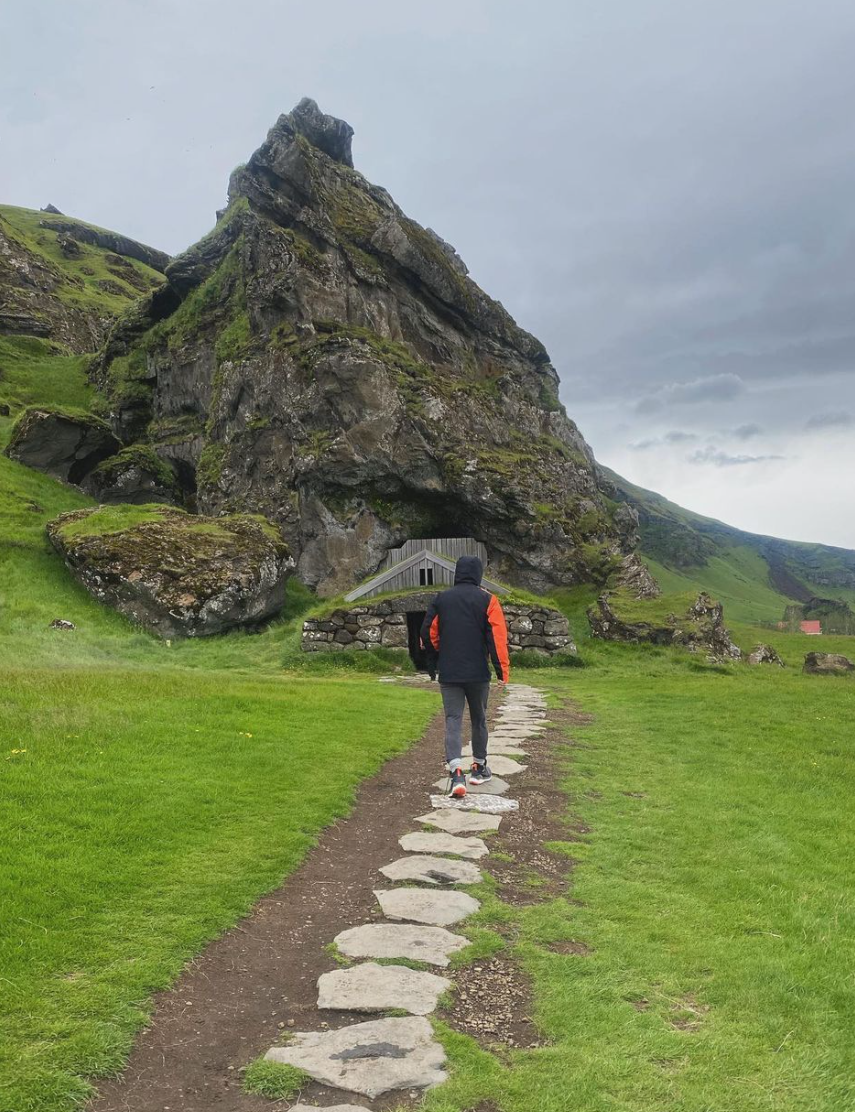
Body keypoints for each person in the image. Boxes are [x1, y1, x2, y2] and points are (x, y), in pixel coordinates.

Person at [420, 555, 510, 798]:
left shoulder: (441, 599)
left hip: (450, 672)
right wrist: (502, 671)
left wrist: (437, 657)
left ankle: (456, 772)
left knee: (452, 719)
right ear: (479, 574)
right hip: (478, 673)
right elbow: (497, 638)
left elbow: (427, 633)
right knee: (479, 718)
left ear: (457, 573)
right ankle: (479, 768)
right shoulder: (488, 600)